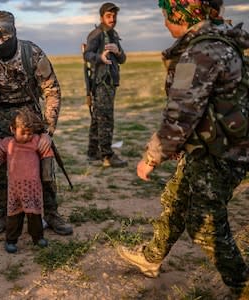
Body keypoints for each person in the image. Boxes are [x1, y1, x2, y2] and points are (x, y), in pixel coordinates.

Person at [117, 0, 249, 297]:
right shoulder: (218, 41)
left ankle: (242, 285)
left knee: (205, 226)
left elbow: (180, 114)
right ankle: (151, 258)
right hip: (212, 146)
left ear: (182, 13)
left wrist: (151, 158)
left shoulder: (198, 53)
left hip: (220, 153)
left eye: (166, 15)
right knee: (176, 199)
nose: (164, 22)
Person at [0, 10, 73, 237]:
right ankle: (2, 214)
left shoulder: (32, 53)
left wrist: (48, 132)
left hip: (30, 115)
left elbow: (52, 91)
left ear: (14, 31)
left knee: (44, 164)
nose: (0, 42)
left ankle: (51, 213)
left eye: (5, 36)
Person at [0, 108, 51, 253]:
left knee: (35, 214)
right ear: (13, 129)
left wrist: (47, 175)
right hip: (15, 188)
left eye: (30, 133)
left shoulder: (36, 141)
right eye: (23, 132)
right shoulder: (8, 143)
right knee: (14, 215)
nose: (27, 136)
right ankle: (11, 240)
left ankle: (38, 238)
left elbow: (46, 153)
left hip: (33, 187)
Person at [83, 2, 127, 167]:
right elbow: (87, 54)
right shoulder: (96, 34)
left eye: (114, 16)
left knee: (98, 118)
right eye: (109, 16)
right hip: (101, 82)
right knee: (105, 118)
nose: (113, 18)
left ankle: (92, 152)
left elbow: (123, 59)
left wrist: (118, 51)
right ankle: (107, 155)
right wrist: (99, 58)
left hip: (111, 82)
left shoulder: (113, 35)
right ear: (102, 17)